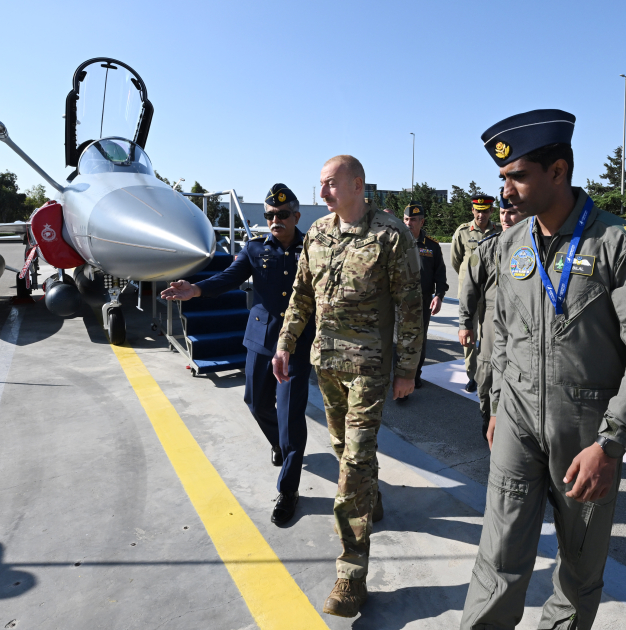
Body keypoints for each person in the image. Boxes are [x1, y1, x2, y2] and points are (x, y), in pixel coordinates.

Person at [460, 109, 626, 630]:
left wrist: (611, 443)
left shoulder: (619, 245)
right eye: (502, 178)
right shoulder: (509, 247)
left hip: (587, 433)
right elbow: (501, 336)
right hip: (515, 423)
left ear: (558, 171)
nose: (505, 191)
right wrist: (495, 405)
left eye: (517, 176)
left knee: (577, 574)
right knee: (497, 559)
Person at [273, 155, 422, 618]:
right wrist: (285, 342)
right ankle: (370, 497)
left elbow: (410, 305)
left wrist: (407, 370)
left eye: (330, 185)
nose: (322, 195)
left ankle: (351, 574)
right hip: (326, 363)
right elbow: (301, 293)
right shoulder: (317, 234)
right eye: (320, 185)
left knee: (354, 462)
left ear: (357, 185)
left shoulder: (390, 235)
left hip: (370, 369)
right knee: (342, 447)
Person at [160, 184, 315, 527]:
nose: (276, 220)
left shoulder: (313, 249)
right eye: (270, 215)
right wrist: (196, 289)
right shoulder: (256, 248)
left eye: (283, 214)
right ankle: (281, 444)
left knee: (291, 416)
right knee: (255, 402)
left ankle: (288, 489)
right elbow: (228, 278)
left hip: (298, 345)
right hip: (261, 340)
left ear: (297, 216)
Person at [458, 190, 523, 438]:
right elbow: (470, 288)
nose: (506, 218)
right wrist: (466, 323)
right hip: (491, 330)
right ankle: (488, 427)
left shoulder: (536, 248)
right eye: (503, 212)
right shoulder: (488, 248)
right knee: (485, 380)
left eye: (512, 213)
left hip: (523, 330)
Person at [397, 201, 447, 402]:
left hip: (422, 302)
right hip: (398, 303)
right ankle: (400, 378)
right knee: (398, 342)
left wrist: (439, 296)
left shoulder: (432, 246)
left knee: (419, 341)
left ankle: (414, 377)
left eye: (414, 220)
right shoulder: (395, 242)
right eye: (406, 219)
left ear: (422, 221)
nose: (409, 223)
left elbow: (440, 275)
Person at [451, 195, 501, 392]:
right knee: (469, 335)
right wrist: (468, 280)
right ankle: (472, 375)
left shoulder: (498, 231)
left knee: (489, 334)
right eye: (478, 211)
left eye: (485, 211)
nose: (481, 214)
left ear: (491, 211)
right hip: (469, 293)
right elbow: (456, 261)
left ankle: (486, 371)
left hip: (490, 292)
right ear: (473, 211)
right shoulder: (463, 232)